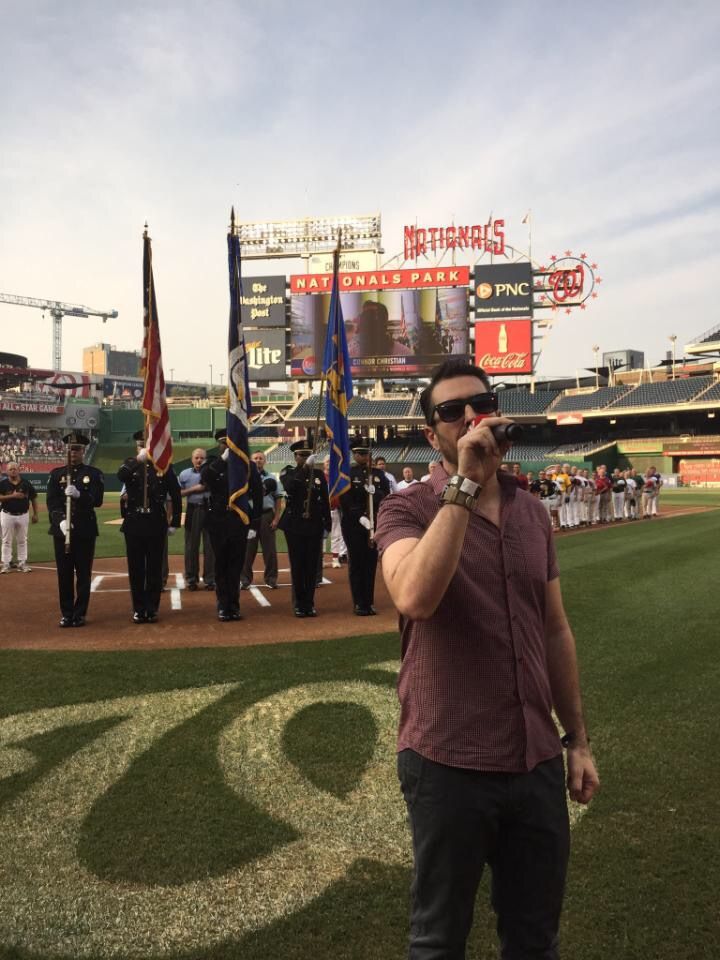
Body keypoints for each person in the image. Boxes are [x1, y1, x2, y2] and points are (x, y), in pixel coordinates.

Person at [375, 360, 599, 960]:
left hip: (534, 757)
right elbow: (414, 597)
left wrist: (577, 740)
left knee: (535, 939)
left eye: (481, 403)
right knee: (438, 940)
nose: (471, 417)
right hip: (447, 759)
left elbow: (554, 629)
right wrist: (466, 485)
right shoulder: (405, 509)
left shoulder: (532, 512)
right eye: (452, 411)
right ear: (433, 435)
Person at [118, 431, 182, 624]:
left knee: (154, 568)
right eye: (140, 445)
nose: (143, 448)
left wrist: (175, 522)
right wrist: (138, 460)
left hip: (155, 521)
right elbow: (121, 475)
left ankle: (152, 608)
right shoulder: (130, 464)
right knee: (136, 569)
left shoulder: (164, 467)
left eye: (146, 445)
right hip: (134, 523)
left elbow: (175, 494)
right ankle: (139, 609)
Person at [201, 428, 263, 621]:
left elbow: (258, 495)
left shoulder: (247, 466)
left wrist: (254, 525)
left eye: (230, 443)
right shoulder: (213, 464)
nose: (227, 446)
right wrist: (222, 461)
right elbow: (206, 478)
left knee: (236, 565)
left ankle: (234, 606)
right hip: (218, 521)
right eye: (223, 443)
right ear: (219, 445)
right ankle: (223, 605)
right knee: (220, 565)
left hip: (239, 521)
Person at [46, 432, 104, 627]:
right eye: (70, 449)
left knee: (83, 574)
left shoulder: (93, 474)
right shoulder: (56, 474)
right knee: (64, 574)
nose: (73, 452)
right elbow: (52, 503)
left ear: (83, 451)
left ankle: (79, 613)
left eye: (77, 449)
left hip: (84, 529)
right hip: (62, 531)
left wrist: (80, 495)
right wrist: (61, 521)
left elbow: (97, 500)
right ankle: (67, 613)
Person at [279, 438, 331, 617]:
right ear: (295, 457)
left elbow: (324, 500)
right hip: (295, 526)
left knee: (311, 566)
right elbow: (291, 487)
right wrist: (305, 468)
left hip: (314, 525)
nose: (305, 458)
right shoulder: (288, 472)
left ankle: (309, 603)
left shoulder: (318, 475)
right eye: (302, 455)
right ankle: (299, 604)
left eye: (308, 455)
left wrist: (327, 524)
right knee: (298, 565)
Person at [339, 442, 391, 616]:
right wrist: (359, 516)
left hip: (374, 524)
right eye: (359, 453)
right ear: (354, 455)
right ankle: (359, 603)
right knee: (356, 563)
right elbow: (345, 500)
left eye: (365, 453)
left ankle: (369, 601)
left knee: (370, 564)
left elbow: (386, 496)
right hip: (354, 524)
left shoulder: (378, 474)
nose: (363, 456)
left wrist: (374, 493)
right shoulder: (348, 474)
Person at [241, 450, 284, 590]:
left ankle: (271, 579)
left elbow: (278, 499)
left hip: (266, 516)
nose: (258, 460)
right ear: (251, 461)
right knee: (248, 549)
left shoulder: (271, 478)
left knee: (269, 550)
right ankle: (245, 579)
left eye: (260, 458)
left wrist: (276, 518)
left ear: (264, 461)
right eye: (255, 458)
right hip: (250, 518)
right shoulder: (245, 478)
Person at [178, 448, 215, 591]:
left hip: (210, 510)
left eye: (202, 458)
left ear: (206, 459)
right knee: (191, 547)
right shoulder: (184, 474)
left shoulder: (212, 473)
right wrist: (194, 489)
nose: (199, 460)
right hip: (192, 510)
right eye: (196, 458)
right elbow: (178, 493)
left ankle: (210, 579)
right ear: (192, 459)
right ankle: (191, 579)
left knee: (210, 547)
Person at [0, 462, 39, 573]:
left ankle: (22, 563)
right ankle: (6, 564)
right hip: (7, 514)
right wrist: (13, 496)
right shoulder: (3, 484)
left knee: (22, 540)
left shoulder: (26, 483)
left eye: (15, 469)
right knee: (6, 541)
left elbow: (33, 498)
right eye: (10, 469)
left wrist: (35, 514)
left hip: (23, 515)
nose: (13, 471)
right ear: (7, 471)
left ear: (19, 470)